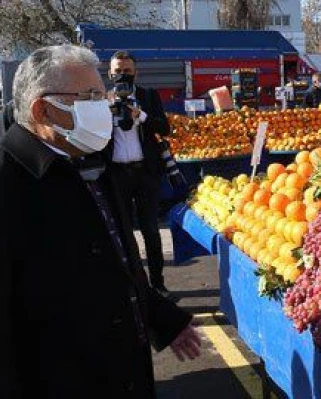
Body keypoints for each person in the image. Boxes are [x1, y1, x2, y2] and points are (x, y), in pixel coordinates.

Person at [0, 44, 200, 398]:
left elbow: (116, 261)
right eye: (90, 96)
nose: (103, 105)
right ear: (43, 109)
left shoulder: (90, 161)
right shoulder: (11, 183)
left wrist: (163, 319)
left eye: (101, 94)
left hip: (125, 372)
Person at [104, 51, 172, 296]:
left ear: (136, 72)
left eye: (127, 71)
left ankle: (158, 283)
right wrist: (105, 114)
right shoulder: (101, 100)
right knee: (123, 232)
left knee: (151, 230)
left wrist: (140, 115)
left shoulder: (148, 96)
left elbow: (165, 128)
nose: (122, 75)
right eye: (118, 71)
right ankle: (134, 283)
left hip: (145, 173)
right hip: (117, 175)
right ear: (110, 73)